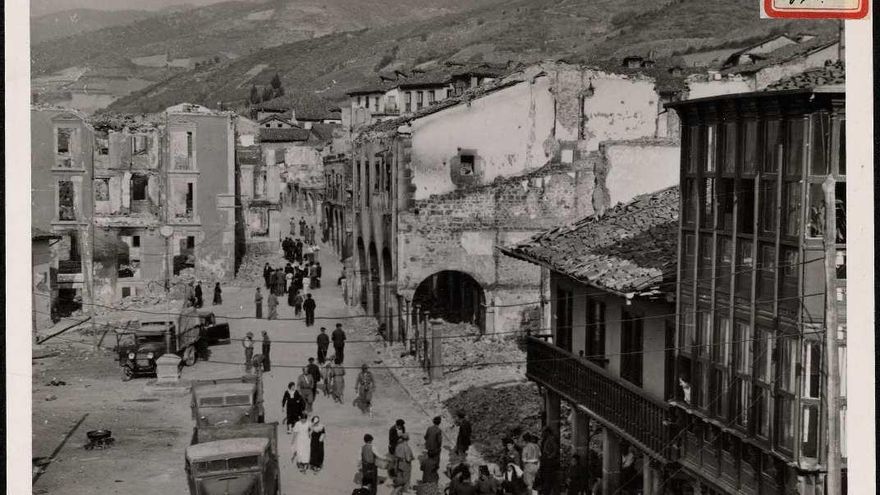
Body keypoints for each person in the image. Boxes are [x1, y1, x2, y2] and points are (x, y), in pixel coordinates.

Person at [538, 426, 560, 495]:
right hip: (545, 460)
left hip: (549, 461)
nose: (543, 433)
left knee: (548, 477)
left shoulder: (551, 438)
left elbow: (555, 449)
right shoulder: (545, 439)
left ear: (547, 432)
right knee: (545, 477)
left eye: (544, 432)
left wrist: (550, 456)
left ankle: (547, 491)